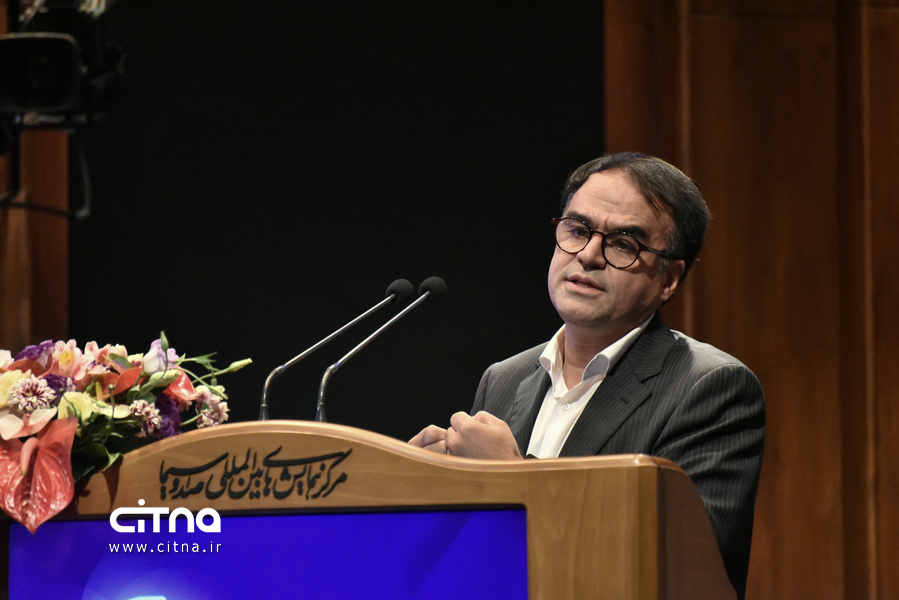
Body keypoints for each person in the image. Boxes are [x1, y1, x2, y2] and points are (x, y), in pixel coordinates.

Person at [409, 152, 765, 599]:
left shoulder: (711, 387)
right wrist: (421, 495)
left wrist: (513, 480)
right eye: (577, 231)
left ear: (669, 278)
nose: (589, 255)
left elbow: (682, 572)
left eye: (623, 244)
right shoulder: (503, 378)